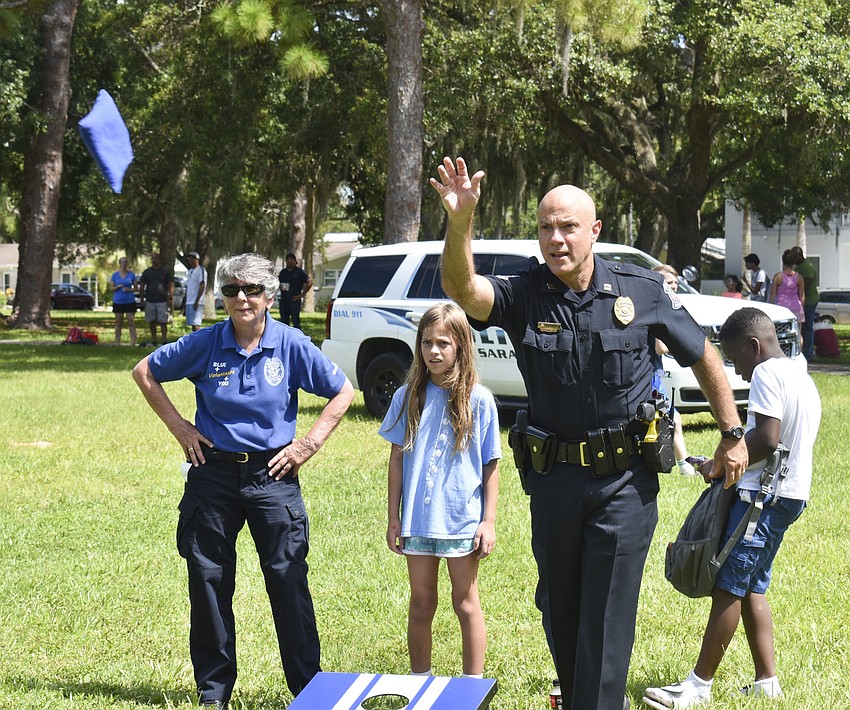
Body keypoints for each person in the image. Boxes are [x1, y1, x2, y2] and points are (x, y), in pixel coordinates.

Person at [432, 156, 747, 710]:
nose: (556, 239)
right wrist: (461, 222)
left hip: (624, 483)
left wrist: (731, 431)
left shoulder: (640, 290)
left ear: (594, 231)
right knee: (560, 610)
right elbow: (462, 289)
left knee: (604, 620)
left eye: (568, 227)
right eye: (546, 228)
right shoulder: (526, 292)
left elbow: (704, 355)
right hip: (553, 480)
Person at [132, 253, 355, 709]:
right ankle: (213, 694)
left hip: (274, 474)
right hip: (212, 474)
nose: (241, 298)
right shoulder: (206, 342)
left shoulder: (290, 344)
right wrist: (180, 428)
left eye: (252, 290)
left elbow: (343, 391)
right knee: (209, 580)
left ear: (270, 296)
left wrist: (306, 446)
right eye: (232, 289)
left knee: (287, 578)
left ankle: (308, 692)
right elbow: (145, 372)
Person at [642, 308, 820, 708]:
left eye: (735, 357)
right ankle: (766, 681)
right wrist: (722, 462)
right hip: (790, 494)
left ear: (754, 347)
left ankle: (698, 686)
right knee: (753, 584)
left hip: (765, 499)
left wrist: (723, 461)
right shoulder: (800, 375)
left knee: (729, 585)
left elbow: (767, 439)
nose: (735, 371)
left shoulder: (767, 374)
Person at [379, 302, 501, 679]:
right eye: (427, 342)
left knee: (465, 603)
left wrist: (488, 521)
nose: (434, 351)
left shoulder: (479, 400)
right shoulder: (406, 397)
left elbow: (491, 463)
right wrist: (394, 518)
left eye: (444, 343)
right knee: (421, 603)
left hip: (461, 523)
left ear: (461, 346)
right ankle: (420, 682)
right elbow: (396, 459)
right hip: (417, 522)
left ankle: (471, 686)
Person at [651, 265, 696, 477]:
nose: (673, 289)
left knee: (673, 419)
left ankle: (683, 463)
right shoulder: (655, 310)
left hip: (655, 373)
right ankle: (684, 465)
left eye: (676, 285)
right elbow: (660, 347)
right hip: (650, 376)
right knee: (673, 419)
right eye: (669, 284)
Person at [138, 252, 174, 346]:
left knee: (163, 322)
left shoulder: (165, 271)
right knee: (152, 321)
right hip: (150, 300)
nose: (154, 260)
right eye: (152, 258)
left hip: (162, 300)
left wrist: (170, 297)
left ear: (159, 259)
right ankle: (154, 340)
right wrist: (142, 298)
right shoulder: (147, 272)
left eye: (156, 258)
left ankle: (164, 340)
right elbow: (142, 285)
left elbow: (171, 284)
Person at [790, 246, 819, 361]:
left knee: (807, 327)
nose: (792, 260)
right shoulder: (800, 267)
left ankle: (808, 353)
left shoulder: (807, 268)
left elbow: (803, 286)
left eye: (793, 257)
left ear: (798, 255)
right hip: (802, 302)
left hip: (809, 301)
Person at [769, 250, 805, 330]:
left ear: (783, 262)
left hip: (781, 308)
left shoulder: (778, 276)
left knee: (781, 332)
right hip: (796, 307)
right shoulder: (799, 277)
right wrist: (801, 308)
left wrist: (770, 307)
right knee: (798, 334)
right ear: (793, 263)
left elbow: (772, 294)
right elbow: (802, 296)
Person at [278, 253, 313, 329]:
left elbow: (309, 281)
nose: (289, 261)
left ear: (295, 261)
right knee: (283, 323)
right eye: (287, 260)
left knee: (296, 322)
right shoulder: (283, 272)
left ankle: (297, 338)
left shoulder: (299, 272)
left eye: (291, 259)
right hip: (284, 301)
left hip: (294, 300)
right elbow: (277, 282)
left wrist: (302, 294)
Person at [110, 256, 137, 346]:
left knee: (131, 321)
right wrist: (117, 287)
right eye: (122, 262)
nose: (124, 264)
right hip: (118, 301)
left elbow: (136, 288)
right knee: (118, 322)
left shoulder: (131, 275)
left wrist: (129, 289)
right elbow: (111, 288)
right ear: (120, 264)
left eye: (125, 262)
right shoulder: (115, 275)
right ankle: (117, 342)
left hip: (129, 301)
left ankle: (133, 342)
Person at [185, 251, 207, 332]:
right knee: (192, 324)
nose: (190, 260)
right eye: (189, 258)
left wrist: (197, 301)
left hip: (197, 301)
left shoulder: (200, 270)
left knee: (196, 323)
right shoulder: (190, 271)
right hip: (189, 301)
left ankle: (199, 342)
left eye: (192, 258)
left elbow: (202, 285)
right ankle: (194, 341)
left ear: (197, 259)